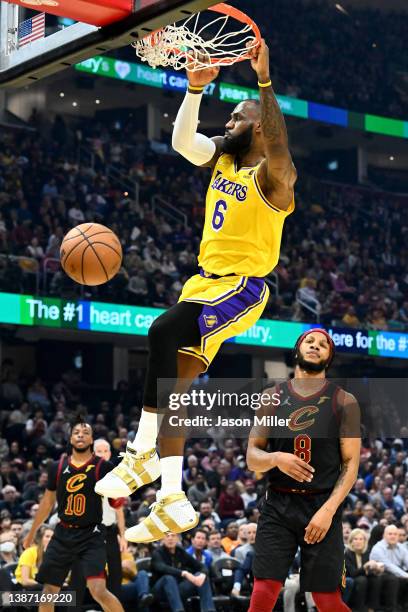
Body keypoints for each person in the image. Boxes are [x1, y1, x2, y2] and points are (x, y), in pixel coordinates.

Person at [96, 39, 297, 544]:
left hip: (242, 287)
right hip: (204, 283)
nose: (226, 123)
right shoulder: (224, 160)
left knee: (162, 328)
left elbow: (277, 143)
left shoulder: (275, 178)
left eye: (235, 118)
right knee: (175, 395)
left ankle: (140, 451)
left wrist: (264, 84)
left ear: (258, 126)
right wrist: (193, 90)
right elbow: (186, 143)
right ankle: (172, 498)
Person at [246, 329, 361, 611]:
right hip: (278, 504)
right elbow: (252, 456)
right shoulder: (270, 397)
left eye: (323, 345)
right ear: (298, 350)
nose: (315, 346)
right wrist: (275, 458)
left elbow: (351, 464)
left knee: (326, 598)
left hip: (322, 504)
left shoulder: (345, 401)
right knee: (263, 591)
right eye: (309, 342)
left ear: (328, 357)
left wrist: (328, 511)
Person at [22, 421, 124, 612]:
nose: (80, 435)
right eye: (76, 432)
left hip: (92, 534)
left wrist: (119, 495)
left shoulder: (104, 466)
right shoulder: (57, 466)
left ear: (91, 439)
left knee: (98, 591)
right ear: (70, 438)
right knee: (48, 592)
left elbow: (117, 500)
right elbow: (46, 503)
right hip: (63, 534)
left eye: (85, 432)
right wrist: (31, 533)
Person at [151, 532, 215, 612]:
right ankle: (179, 610)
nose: (170, 538)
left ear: (177, 538)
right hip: (161, 591)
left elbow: (201, 566)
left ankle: (209, 610)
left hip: (178, 589)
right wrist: (184, 573)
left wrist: (203, 574)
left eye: (173, 535)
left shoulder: (180, 551)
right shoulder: (157, 552)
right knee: (168, 578)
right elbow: (162, 568)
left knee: (201, 576)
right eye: (167, 536)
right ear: (162, 539)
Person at [369, 524, 408, 611]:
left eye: (395, 534)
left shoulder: (401, 547)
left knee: (401, 579)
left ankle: (404, 607)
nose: (393, 536)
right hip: (379, 573)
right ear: (384, 535)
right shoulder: (378, 548)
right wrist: (406, 575)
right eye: (390, 534)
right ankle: (391, 609)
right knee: (393, 579)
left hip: (396, 572)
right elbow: (389, 566)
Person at [344, 528, 384, 612]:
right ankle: (359, 608)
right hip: (350, 579)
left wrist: (376, 569)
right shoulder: (347, 554)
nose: (358, 541)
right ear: (351, 541)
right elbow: (353, 573)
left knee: (375, 579)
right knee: (362, 580)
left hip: (363, 577)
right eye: (355, 539)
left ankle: (372, 608)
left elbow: (369, 571)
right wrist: (365, 566)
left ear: (364, 541)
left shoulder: (368, 552)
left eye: (361, 539)